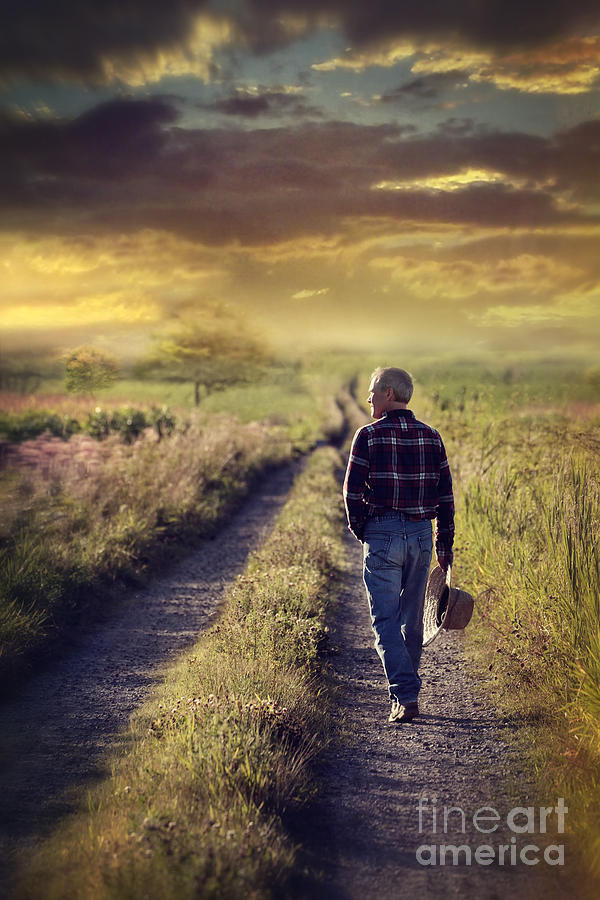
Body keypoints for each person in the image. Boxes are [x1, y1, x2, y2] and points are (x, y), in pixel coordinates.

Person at [343, 366, 454, 724]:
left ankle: (405, 695)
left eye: (373, 391)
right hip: (422, 536)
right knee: (410, 618)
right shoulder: (432, 436)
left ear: (389, 393)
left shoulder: (368, 436)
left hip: (384, 533)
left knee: (384, 620)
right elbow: (446, 497)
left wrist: (364, 530)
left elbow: (351, 492)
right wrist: (444, 546)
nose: (368, 398)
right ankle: (408, 693)